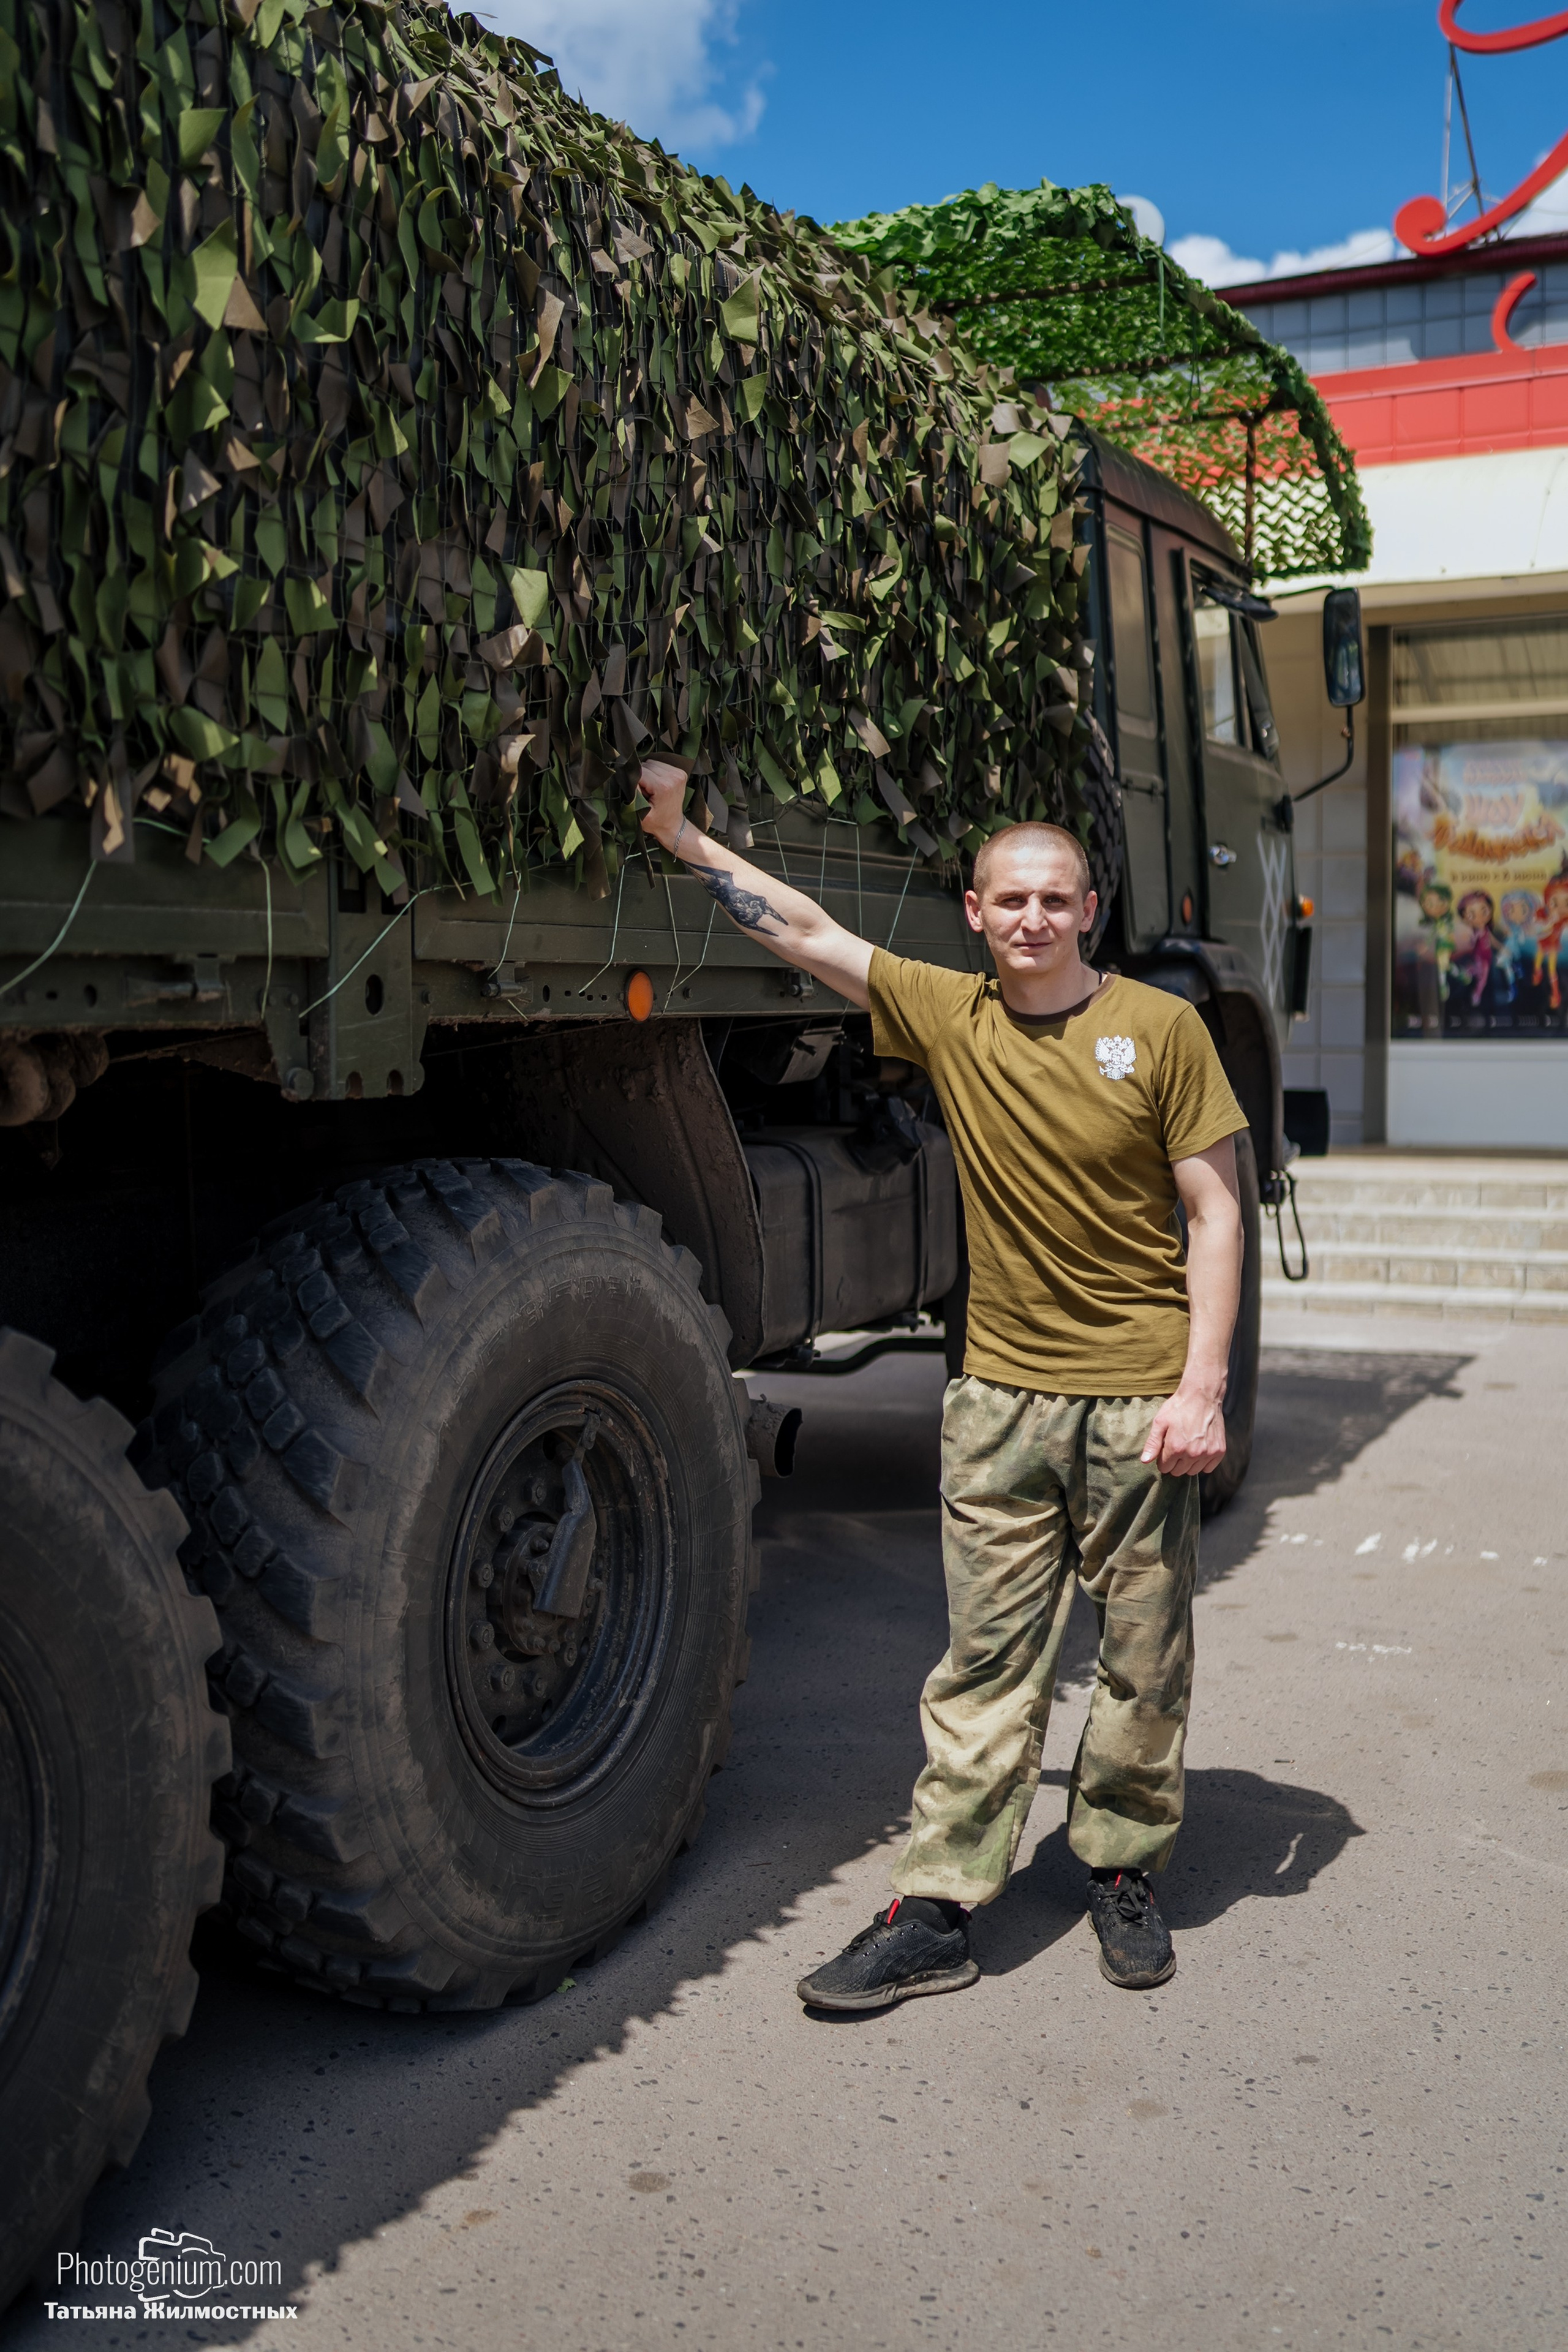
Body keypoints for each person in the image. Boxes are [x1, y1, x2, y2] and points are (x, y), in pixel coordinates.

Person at [636, 761, 1246, 2007]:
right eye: (1007, 900)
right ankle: (938, 1904)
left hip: (1136, 1399)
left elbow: (1216, 1213)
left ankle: (1119, 1868)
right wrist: (680, 833)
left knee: (1142, 1654)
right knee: (983, 1663)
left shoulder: (1162, 1031)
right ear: (973, 913)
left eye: (1053, 899)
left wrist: (1200, 1391)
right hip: (995, 1403)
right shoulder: (947, 1016)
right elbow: (804, 931)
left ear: (1087, 909)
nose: (1030, 919)